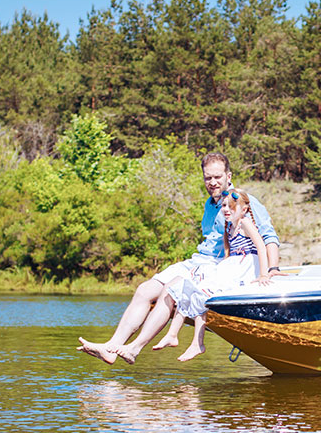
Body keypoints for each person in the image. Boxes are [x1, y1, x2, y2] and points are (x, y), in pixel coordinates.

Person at [78, 152, 280, 364]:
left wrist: (272, 269)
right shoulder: (210, 205)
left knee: (170, 290)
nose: (212, 182)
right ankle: (112, 347)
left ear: (228, 176)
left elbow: (267, 236)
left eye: (217, 177)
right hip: (198, 260)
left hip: (217, 267)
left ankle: (135, 348)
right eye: (207, 178)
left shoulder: (242, 200)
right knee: (144, 291)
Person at [117, 189, 270, 364]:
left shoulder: (245, 223)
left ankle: (197, 343)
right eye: (224, 206)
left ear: (243, 210)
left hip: (246, 266)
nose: (227, 209)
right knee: (190, 285)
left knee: (203, 291)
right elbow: (228, 256)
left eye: (232, 207)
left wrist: (264, 274)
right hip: (231, 265)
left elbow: (261, 246)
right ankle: (172, 334)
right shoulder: (228, 227)